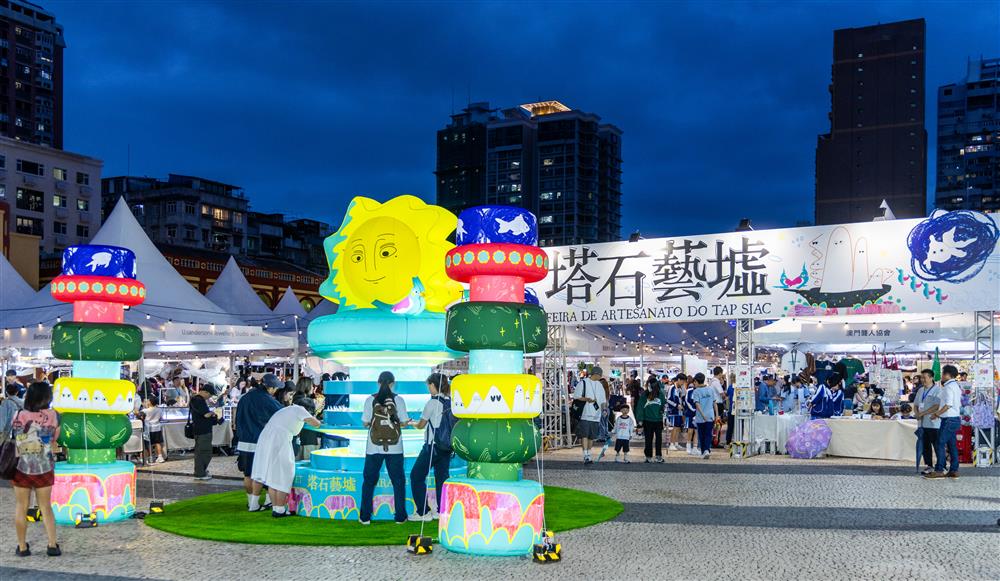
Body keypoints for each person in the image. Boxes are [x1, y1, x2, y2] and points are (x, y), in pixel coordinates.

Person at [10, 382, 61, 557]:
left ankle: (22, 547)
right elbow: (54, 439)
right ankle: (52, 545)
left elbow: (15, 436)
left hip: (21, 467)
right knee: (45, 506)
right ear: (47, 397)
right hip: (44, 466)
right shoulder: (55, 416)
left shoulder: (19, 414)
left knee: (21, 506)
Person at [250, 400, 321, 517]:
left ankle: (277, 508)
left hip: (267, 439)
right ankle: (280, 508)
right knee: (284, 473)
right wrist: (319, 420)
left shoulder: (287, 410)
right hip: (279, 440)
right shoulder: (299, 409)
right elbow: (316, 423)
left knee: (273, 475)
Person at [360, 371, 409, 524]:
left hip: (373, 447)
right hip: (395, 447)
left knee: (369, 481)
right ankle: (400, 516)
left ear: (378, 383)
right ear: (393, 383)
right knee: (398, 481)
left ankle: (365, 517)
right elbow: (403, 422)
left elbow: (365, 422)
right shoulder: (398, 400)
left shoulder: (370, 399)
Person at [235, 372, 283, 511]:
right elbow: (282, 413)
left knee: (247, 474)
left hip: (243, 441)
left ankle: (251, 502)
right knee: (263, 473)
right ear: (270, 387)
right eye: (275, 388)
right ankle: (260, 503)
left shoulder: (245, 397)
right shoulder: (267, 399)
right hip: (260, 441)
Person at [410, 373, 453, 521]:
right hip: (446, 447)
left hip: (432, 447)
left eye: (429, 385)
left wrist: (412, 423)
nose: (428, 387)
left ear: (434, 385)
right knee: (442, 479)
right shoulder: (450, 401)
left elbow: (421, 425)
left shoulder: (432, 403)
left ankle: (423, 512)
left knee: (416, 476)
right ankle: (441, 511)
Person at [925, 365, 961, 480]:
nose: (941, 375)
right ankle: (954, 470)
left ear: (947, 374)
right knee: (952, 445)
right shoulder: (955, 385)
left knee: (939, 443)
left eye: (943, 373)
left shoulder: (948, 387)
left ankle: (939, 470)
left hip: (948, 419)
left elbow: (948, 405)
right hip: (954, 419)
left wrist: (937, 414)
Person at [573, 366, 607, 465]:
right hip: (585, 413)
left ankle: (589, 454)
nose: (600, 377)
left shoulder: (599, 385)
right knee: (584, 435)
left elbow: (603, 400)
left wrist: (604, 410)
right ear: (596, 374)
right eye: (600, 375)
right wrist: (587, 399)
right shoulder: (583, 383)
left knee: (591, 436)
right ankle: (585, 455)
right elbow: (576, 397)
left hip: (596, 415)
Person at [189, 384, 221, 481]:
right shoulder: (198, 400)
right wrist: (213, 412)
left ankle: (201, 471)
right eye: (209, 395)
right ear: (205, 392)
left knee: (200, 452)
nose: (209, 397)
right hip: (203, 430)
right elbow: (206, 415)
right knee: (204, 452)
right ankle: (200, 473)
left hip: (199, 430)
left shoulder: (195, 399)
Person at [912, 368, 941, 474]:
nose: (923, 380)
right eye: (922, 378)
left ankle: (941, 466)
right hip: (922, 423)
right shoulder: (920, 390)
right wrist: (917, 413)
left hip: (933, 423)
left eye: (925, 377)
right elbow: (916, 404)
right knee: (925, 445)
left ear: (931, 378)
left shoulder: (938, 390)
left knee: (937, 445)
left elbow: (937, 406)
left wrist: (923, 413)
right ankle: (929, 465)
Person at [292, 377, 320, 460]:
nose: (313, 388)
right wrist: (316, 408)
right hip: (309, 436)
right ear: (307, 386)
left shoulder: (294, 399)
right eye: (312, 386)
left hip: (296, 436)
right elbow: (311, 420)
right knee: (308, 462)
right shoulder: (307, 402)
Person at [638, 378, 665, 463]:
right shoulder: (645, 394)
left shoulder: (659, 394)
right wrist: (640, 419)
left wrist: (640, 420)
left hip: (655, 420)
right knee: (652, 439)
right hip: (651, 420)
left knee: (654, 439)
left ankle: (653, 456)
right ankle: (653, 456)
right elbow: (640, 407)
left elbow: (663, 405)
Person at [691, 373, 717, 459]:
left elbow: (697, 404)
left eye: (694, 382)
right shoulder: (710, 389)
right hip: (710, 415)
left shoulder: (696, 391)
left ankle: (704, 451)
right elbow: (715, 403)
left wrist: (703, 415)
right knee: (708, 434)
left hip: (700, 417)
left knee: (701, 435)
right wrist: (717, 415)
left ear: (696, 381)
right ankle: (706, 450)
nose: (694, 383)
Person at [142, 398, 166, 463]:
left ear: (150, 402)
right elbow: (161, 418)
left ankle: (150, 457)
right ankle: (160, 457)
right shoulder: (159, 410)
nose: (147, 402)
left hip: (148, 429)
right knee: (157, 442)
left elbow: (140, 416)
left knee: (148, 444)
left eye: (148, 401)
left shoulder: (145, 410)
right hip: (157, 428)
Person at [0, 382, 24, 446]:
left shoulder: (5, 403)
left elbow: (3, 417)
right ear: (17, 392)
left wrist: (0, 429)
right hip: (20, 431)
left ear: (6, 392)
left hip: (8, 431)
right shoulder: (23, 402)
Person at [666, 374, 685, 451]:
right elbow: (668, 399)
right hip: (673, 411)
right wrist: (676, 405)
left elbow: (681, 398)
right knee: (675, 427)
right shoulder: (672, 388)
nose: (683, 383)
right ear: (679, 379)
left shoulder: (680, 388)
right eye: (682, 381)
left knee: (678, 427)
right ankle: (671, 444)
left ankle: (676, 443)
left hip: (679, 411)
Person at [683, 376, 698, 454]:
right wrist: (693, 409)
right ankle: (688, 446)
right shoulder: (689, 391)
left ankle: (695, 447)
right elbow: (687, 401)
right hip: (690, 413)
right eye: (695, 382)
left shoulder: (700, 391)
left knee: (696, 431)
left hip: (698, 414)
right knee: (690, 430)